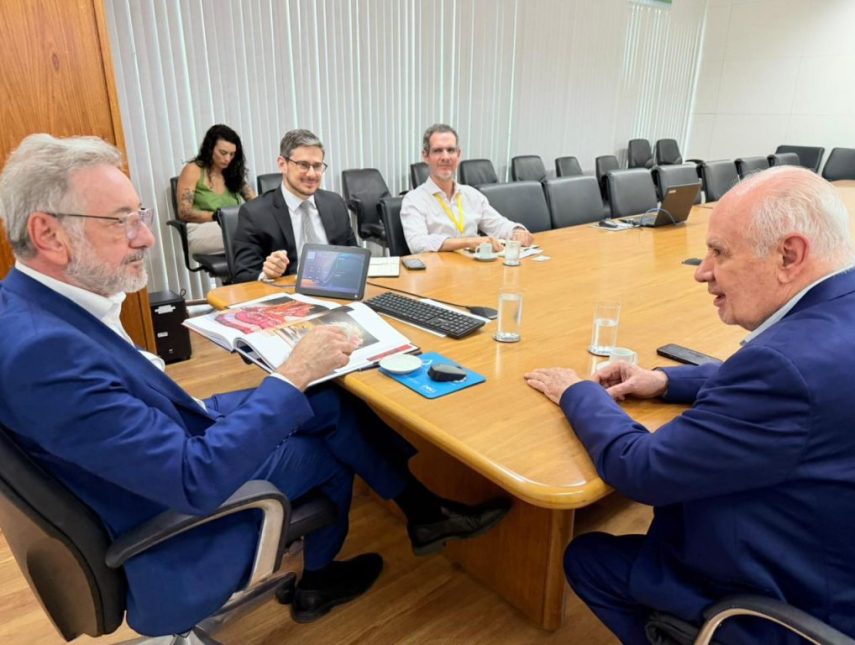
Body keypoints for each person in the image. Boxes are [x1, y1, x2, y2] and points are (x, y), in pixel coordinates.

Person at [0, 134, 509, 636]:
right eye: (121, 221)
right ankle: (319, 580)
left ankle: (423, 510)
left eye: (140, 216)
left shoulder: (33, 307)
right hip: (174, 509)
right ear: (49, 234)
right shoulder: (44, 353)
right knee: (331, 449)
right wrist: (291, 373)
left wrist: (297, 381)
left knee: (328, 399)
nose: (146, 238)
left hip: (170, 433)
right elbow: (193, 478)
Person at [524, 166, 855, 644]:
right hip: (838, 557)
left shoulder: (780, 369)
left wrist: (576, 391)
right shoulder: (843, 310)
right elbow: (792, 383)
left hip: (794, 607)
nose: (702, 271)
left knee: (588, 558)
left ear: (788, 255)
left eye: (719, 252)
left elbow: (641, 469)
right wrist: (665, 380)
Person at [232, 129, 355, 284]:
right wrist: (266, 274)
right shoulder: (255, 213)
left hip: (336, 289)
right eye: (303, 165)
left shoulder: (335, 203)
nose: (312, 174)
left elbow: (354, 255)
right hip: (288, 293)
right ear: (282, 164)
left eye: (317, 166)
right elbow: (243, 274)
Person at [400, 124, 534, 254]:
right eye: (438, 150)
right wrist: (468, 242)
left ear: (458, 155)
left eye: (451, 150)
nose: (445, 157)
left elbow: (498, 225)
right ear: (425, 156)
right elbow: (417, 244)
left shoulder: (472, 195)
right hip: (440, 268)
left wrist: (516, 231)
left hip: (474, 266)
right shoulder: (414, 200)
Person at [176, 124, 256, 255]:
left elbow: (255, 202)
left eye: (232, 154)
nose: (228, 159)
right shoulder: (193, 170)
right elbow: (184, 212)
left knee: (264, 231)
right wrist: (217, 216)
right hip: (201, 229)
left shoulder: (232, 173)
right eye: (223, 153)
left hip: (233, 228)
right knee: (254, 236)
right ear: (210, 148)